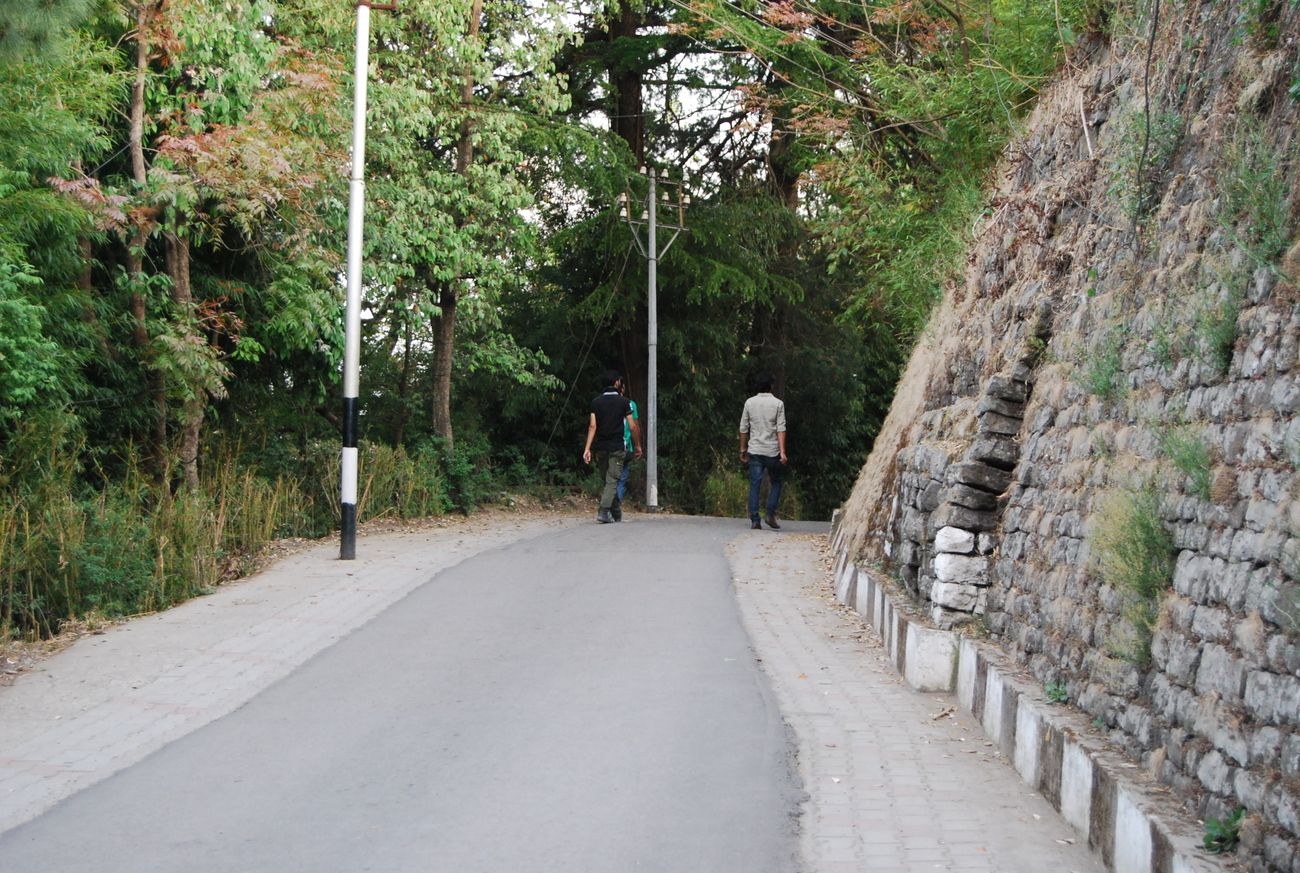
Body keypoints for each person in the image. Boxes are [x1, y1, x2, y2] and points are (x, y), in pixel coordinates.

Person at [583, 370, 642, 524]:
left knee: (608, 480)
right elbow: (632, 426)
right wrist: (637, 445)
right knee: (612, 481)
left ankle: (615, 512)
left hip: (600, 448)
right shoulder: (624, 402)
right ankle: (604, 512)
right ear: (616, 382)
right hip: (617, 447)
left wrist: (587, 448)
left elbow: (592, 426)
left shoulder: (595, 402)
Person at [739, 373, 787, 530]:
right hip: (772, 451)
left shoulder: (749, 403)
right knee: (777, 482)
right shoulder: (778, 404)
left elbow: (743, 428)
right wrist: (782, 451)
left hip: (755, 450)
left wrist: (742, 449)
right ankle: (770, 513)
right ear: (771, 387)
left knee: (755, 484)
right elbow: (781, 429)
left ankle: (755, 519)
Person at [614, 378, 640, 520]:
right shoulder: (630, 404)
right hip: (625, 446)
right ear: (622, 389)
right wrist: (638, 446)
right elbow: (634, 426)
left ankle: (611, 502)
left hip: (608, 445)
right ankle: (616, 501)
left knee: (611, 477)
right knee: (622, 477)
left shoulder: (605, 402)